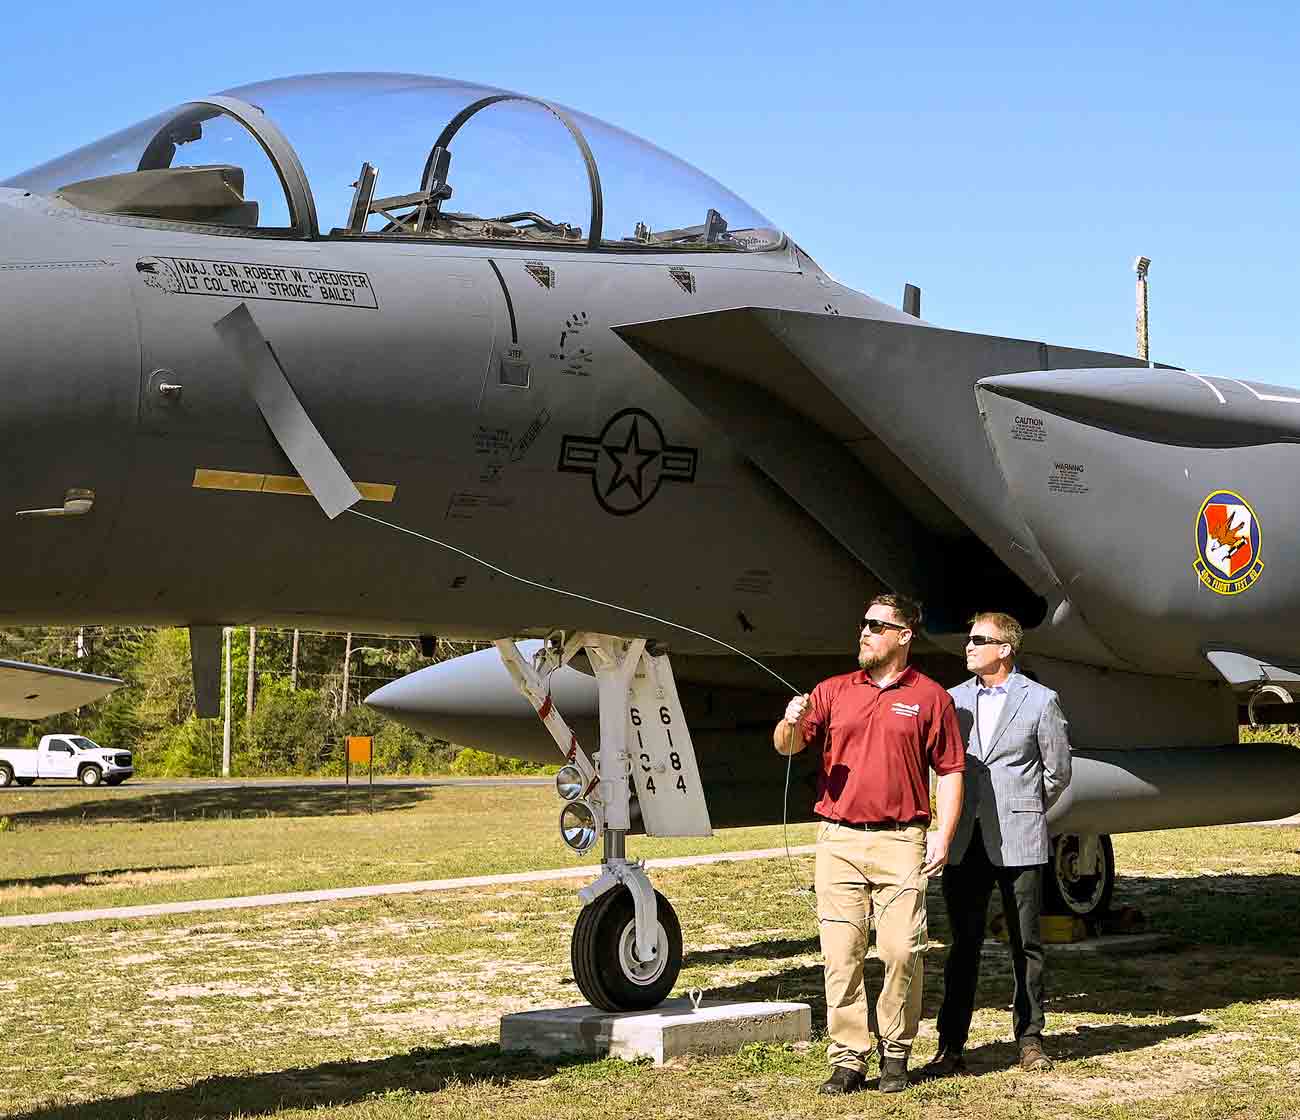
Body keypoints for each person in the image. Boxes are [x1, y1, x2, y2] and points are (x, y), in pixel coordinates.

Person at [774, 593, 965, 1095]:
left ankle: (896, 1051)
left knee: (902, 950)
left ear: (904, 636)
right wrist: (790, 721)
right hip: (837, 840)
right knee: (842, 955)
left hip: (901, 840)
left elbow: (949, 771)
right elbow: (788, 746)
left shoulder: (931, 697)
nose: (865, 632)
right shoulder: (833, 690)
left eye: (878, 626)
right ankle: (849, 1058)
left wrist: (943, 833)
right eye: (863, 624)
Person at [927, 611, 1072, 1077]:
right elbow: (941, 767)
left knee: (1026, 945)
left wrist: (1024, 808)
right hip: (965, 839)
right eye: (968, 639)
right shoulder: (952, 701)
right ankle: (950, 1045)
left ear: (1005, 648)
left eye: (978, 639)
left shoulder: (1041, 700)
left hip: (1019, 837)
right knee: (961, 945)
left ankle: (1030, 1039)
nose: (967, 647)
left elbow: (1058, 773)